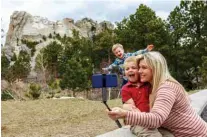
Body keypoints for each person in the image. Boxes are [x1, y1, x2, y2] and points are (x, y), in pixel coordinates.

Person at [107, 52, 207, 137]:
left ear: (155, 68)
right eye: (139, 67)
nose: (139, 71)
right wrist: (127, 106)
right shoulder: (154, 86)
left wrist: (124, 114)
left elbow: (156, 119)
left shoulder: (166, 88)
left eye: (144, 67)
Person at [122, 56, 173, 137]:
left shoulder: (147, 84)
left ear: (139, 70)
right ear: (124, 73)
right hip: (138, 122)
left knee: (170, 135)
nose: (130, 70)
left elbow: (153, 101)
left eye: (133, 67)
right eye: (127, 69)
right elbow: (133, 108)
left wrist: (152, 119)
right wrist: (143, 119)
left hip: (153, 119)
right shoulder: (125, 89)